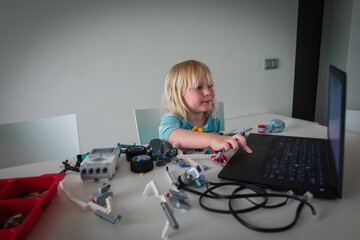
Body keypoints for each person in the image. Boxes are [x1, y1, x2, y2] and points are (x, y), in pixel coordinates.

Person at [159, 60, 252, 153]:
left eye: (209, 86)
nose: (208, 92)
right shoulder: (171, 118)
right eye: (199, 87)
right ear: (177, 94)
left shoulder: (213, 116)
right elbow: (170, 135)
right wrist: (213, 139)